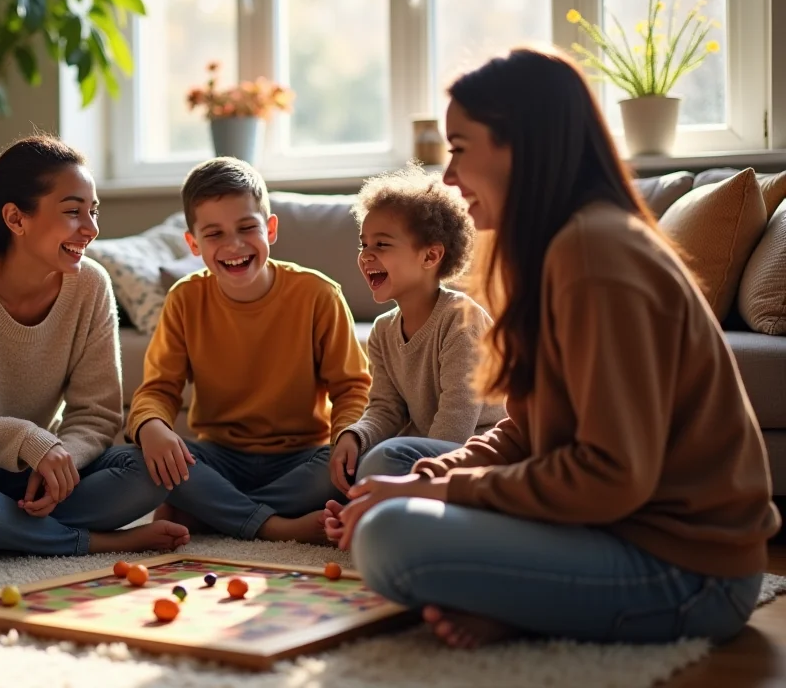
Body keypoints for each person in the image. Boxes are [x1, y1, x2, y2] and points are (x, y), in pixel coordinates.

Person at [327, 46, 780, 647]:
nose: (451, 177)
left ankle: (522, 601)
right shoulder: (556, 250)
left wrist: (436, 491)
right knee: (390, 473)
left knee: (390, 537)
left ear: (520, 146)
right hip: (610, 526)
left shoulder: (596, 253)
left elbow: (612, 476)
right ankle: (522, 597)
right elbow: (525, 431)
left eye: (459, 148)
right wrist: (428, 476)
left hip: (689, 569)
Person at [0, 135, 189, 556]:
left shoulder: (92, 285)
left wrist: (61, 459)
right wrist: (27, 440)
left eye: (94, 211)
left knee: (151, 471)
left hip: (28, 475)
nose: (91, 229)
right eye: (73, 212)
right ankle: (87, 541)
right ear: (15, 218)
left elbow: (97, 414)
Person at [128, 157, 371, 544]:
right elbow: (158, 389)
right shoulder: (184, 299)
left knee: (352, 464)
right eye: (214, 234)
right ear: (193, 244)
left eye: (246, 228)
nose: (234, 245)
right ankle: (275, 525)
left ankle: (214, 512)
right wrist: (152, 427)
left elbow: (352, 388)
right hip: (218, 456)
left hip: (301, 457)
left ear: (270, 228)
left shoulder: (319, 294)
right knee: (144, 460)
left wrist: (346, 437)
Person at [327, 166, 505, 499]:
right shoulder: (383, 330)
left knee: (383, 459)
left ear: (431, 256)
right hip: (423, 451)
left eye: (382, 244)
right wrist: (355, 435)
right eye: (364, 244)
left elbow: (456, 422)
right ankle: (366, 507)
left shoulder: (460, 319)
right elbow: (385, 408)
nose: (367, 255)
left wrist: (414, 477)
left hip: (474, 454)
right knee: (348, 461)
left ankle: (373, 505)